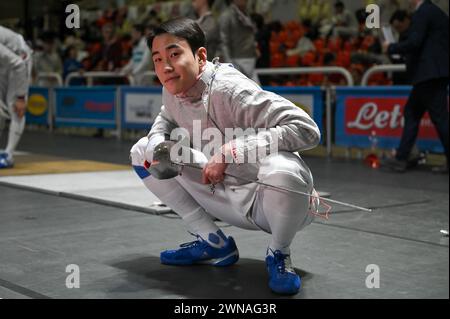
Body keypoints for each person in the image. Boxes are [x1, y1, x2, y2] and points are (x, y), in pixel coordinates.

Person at [130, 18, 321, 295]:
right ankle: (212, 241)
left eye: (174, 54)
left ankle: (279, 253)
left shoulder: (232, 90)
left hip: (270, 204)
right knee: (142, 151)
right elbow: (165, 117)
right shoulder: (172, 85)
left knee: (284, 170)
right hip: (222, 192)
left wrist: (233, 151)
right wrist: (159, 142)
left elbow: (307, 130)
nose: (165, 67)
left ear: (200, 55)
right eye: (158, 59)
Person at [382, 0, 449, 173]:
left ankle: (402, 157)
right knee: (412, 112)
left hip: (429, 74)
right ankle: (402, 157)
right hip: (433, 73)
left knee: (438, 119)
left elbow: (414, 42)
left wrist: (391, 47)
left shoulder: (423, 12)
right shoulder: (433, 11)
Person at [0, 34, 30, 168]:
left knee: (15, 106)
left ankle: (8, 155)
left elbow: (18, 65)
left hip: (19, 57)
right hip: (4, 60)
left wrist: (21, 97)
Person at [218, 0, 259, 83]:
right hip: (236, 62)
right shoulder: (226, 16)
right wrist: (230, 65)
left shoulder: (247, 14)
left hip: (250, 61)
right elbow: (223, 42)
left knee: (257, 91)